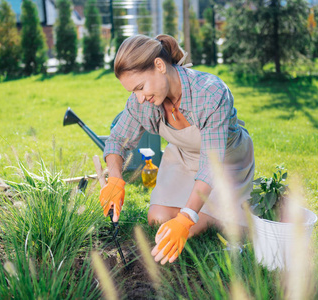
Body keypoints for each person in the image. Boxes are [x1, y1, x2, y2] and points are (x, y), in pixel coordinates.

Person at [99, 34, 255, 265]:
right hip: (182, 156)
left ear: (159, 65)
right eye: (133, 91)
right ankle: (208, 211)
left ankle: (226, 213)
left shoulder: (210, 93)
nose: (140, 98)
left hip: (225, 161)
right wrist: (115, 178)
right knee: (157, 220)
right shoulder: (141, 102)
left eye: (141, 87)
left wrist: (186, 218)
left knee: (198, 227)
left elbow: (211, 165)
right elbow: (117, 141)